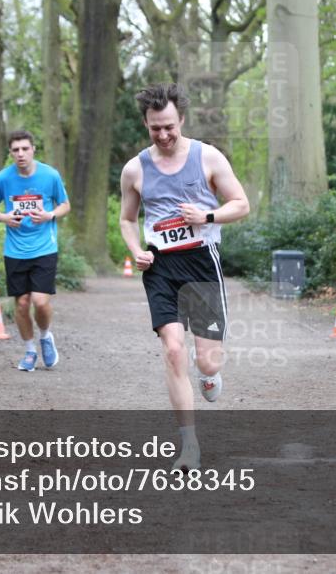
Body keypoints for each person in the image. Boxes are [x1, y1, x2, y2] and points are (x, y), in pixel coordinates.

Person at [119, 83, 250, 471]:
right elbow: (127, 219)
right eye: (155, 128)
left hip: (201, 264)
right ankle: (188, 445)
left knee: (207, 362)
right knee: (174, 350)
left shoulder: (207, 157)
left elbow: (241, 204)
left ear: (182, 120)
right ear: (145, 123)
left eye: (169, 127)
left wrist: (207, 216)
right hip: (160, 268)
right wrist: (135, 250)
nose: (163, 135)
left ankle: (209, 377)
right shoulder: (134, 168)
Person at [0, 130, 71, 372]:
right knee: (21, 304)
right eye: (15, 150)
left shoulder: (50, 175)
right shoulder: (3, 179)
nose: (21, 154)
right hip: (14, 250)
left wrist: (50, 214)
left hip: (44, 247)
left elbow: (65, 205)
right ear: (10, 153)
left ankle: (45, 336)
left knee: (40, 302)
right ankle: (30, 350)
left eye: (25, 148)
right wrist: (3, 217)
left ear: (33, 149)